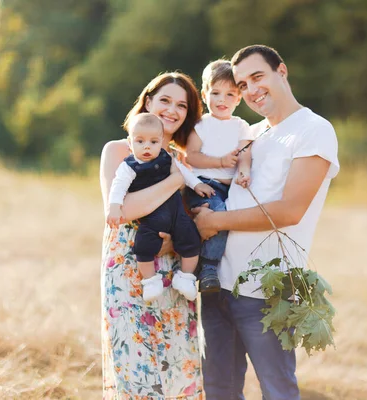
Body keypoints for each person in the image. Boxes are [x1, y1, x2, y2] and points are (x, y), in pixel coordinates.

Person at [193, 45, 340, 400]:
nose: (251, 90)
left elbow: (290, 210)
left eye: (258, 77)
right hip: (217, 286)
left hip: (266, 292)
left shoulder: (313, 130)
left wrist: (214, 220)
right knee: (219, 391)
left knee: (277, 390)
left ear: (282, 72)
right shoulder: (251, 133)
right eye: (242, 85)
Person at [99, 72, 205, 399]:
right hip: (130, 269)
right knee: (136, 367)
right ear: (148, 102)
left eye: (182, 105)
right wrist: (174, 180)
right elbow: (125, 210)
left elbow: (189, 218)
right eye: (165, 100)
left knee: (178, 367)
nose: (172, 110)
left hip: (175, 273)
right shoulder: (118, 151)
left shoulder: (182, 159)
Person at [106, 113, 201, 302]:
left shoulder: (167, 157)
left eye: (154, 141)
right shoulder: (129, 166)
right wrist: (114, 206)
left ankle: (186, 277)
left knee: (191, 238)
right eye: (140, 141)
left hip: (176, 215)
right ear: (129, 142)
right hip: (151, 219)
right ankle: (150, 281)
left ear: (161, 142)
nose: (147, 146)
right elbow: (118, 186)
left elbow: (183, 173)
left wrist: (198, 185)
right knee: (143, 246)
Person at [184, 59, 254, 293]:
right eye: (215, 93)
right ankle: (208, 268)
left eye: (229, 94)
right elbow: (192, 156)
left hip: (230, 187)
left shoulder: (241, 126)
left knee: (232, 222)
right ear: (205, 94)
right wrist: (220, 162)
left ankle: (203, 264)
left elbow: (245, 153)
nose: (222, 100)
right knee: (218, 218)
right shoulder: (201, 125)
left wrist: (244, 171)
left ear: (239, 98)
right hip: (203, 185)